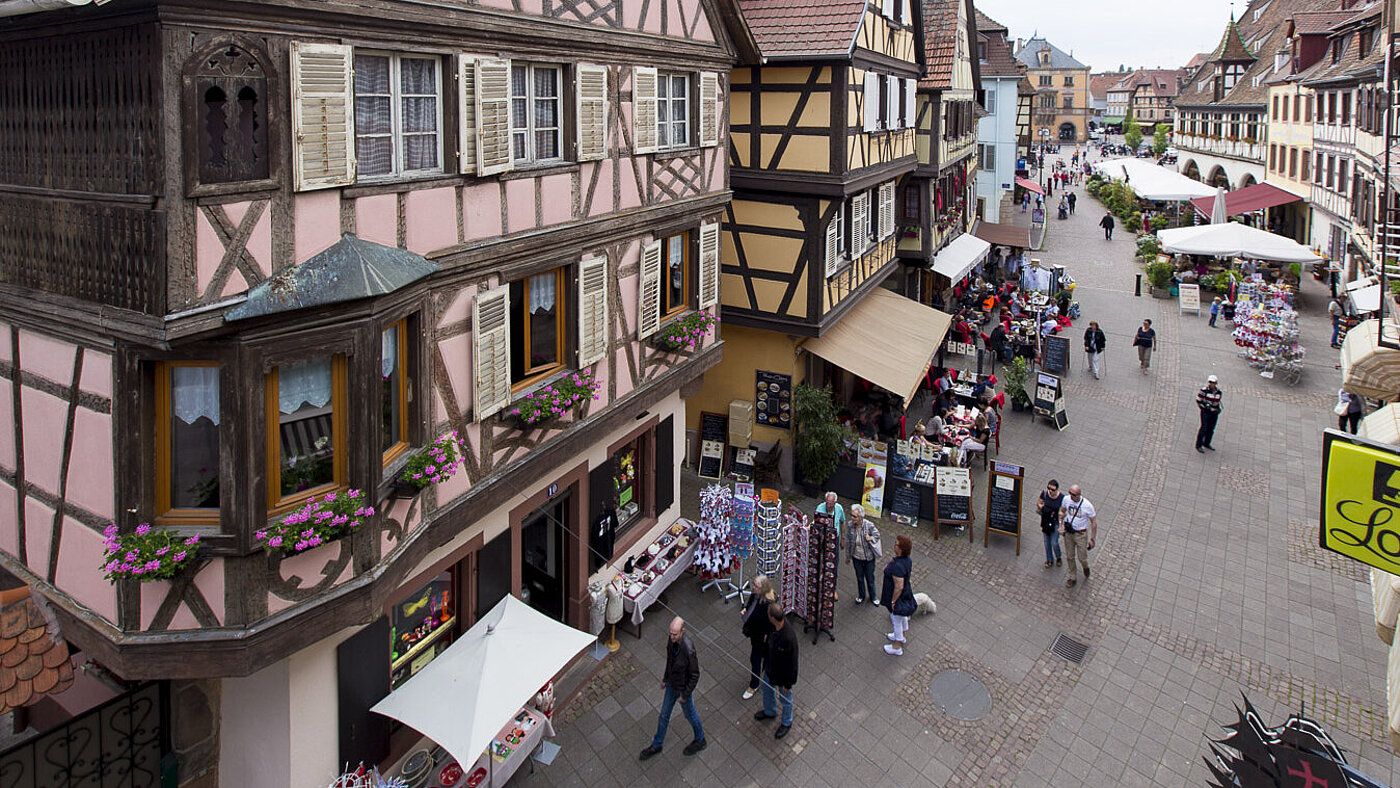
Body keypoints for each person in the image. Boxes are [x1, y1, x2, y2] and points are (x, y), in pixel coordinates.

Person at [639, 617, 706, 759]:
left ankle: (700, 739)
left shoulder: (688, 649)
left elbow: (695, 675)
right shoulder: (672, 641)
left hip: (682, 689)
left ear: (682, 631)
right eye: (670, 633)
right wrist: (665, 679)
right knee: (664, 715)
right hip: (672, 685)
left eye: (675, 634)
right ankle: (657, 744)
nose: (671, 637)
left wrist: (685, 695)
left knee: (690, 715)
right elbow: (670, 661)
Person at [754, 603, 798, 739]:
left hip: (782, 675)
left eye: (769, 614)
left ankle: (786, 722)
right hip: (770, 668)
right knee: (766, 689)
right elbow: (767, 643)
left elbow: (792, 663)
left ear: (773, 618)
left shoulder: (788, 637)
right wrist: (764, 656)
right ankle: (770, 711)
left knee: (786, 699)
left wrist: (788, 684)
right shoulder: (772, 627)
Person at [740, 576, 776, 700]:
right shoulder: (756, 595)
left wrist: (767, 635)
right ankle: (766, 662)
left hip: (761, 636)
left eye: (757, 586)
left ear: (763, 589)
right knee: (761, 655)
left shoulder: (767, 604)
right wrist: (746, 610)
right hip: (755, 633)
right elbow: (751, 605)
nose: (753, 588)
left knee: (755, 659)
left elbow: (771, 623)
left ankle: (754, 685)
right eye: (754, 584)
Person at [879, 535, 916, 655]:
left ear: (900, 549)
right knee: (901, 617)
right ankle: (901, 634)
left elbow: (899, 586)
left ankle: (897, 646)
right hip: (905, 593)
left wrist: (893, 601)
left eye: (896, 544)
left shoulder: (898, 566)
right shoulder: (906, 560)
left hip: (897, 596)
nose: (894, 545)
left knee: (896, 619)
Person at [1059, 485, 1098, 588]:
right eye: (1070, 493)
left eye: (1074, 494)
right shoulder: (1066, 499)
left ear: (1079, 495)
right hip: (1069, 532)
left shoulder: (1087, 505)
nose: (1071, 496)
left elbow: (1094, 522)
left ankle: (1085, 566)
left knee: (1082, 557)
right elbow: (1062, 511)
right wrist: (1060, 525)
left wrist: (1092, 539)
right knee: (1070, 556)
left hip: (1081, 534)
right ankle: (1073, 577)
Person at [846, 504, 881, 604]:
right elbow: (848, 541)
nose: (852, 518)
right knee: (860, 578)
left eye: (854, 516)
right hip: (856, 557)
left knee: (870, 578)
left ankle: (873, 596)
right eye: (852, 515)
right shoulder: (850, 525)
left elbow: (877, 535)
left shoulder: (869, 525)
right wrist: (848, 556)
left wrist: (871, 538)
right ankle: (861, 595)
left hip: (868, 558)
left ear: (861, 517)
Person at [816, 491, 846, 598]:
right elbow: (815, 523)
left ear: (835, 502)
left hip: (834, 540)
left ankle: (833, 588)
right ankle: (820, 586)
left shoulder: (839, 508)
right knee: (821, 562)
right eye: (827, 503)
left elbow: (843, 521)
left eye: (831, 503)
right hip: (823, 539)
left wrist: (843, 538)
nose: (828, 505)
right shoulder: (820, 508)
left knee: (834, 564)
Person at [1037, 479, 1065, 568]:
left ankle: (1058, 557)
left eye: (1053, 489)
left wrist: (1060, 524)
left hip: (1055, 521)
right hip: (1046, 521)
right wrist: (1043, 508)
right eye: (1048, 488)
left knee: (1054, 542)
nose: (1050, 491)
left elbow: (1063, 511)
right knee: (1046, 542)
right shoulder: (1045, 494)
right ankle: (1049, 560)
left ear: (1057, 489)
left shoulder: (1061, 498)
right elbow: (1039, 502)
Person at [1196, 375, 1222, 452]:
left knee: (1211, 429)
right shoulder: (1204, 391)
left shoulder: (1219, 392)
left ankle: (1207, 443)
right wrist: (1205, 407)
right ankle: (1199, 445)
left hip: (1214, 413)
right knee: (1204, 428)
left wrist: (1217, 409)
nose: (1211, 384)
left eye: (1213, 382)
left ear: (1216, 383)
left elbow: (1217, 402)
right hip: (1206, 412)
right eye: (1210, 382)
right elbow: (1198, 400)